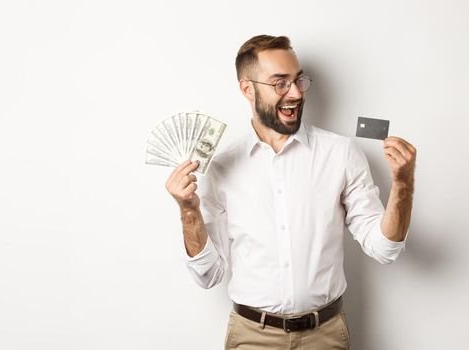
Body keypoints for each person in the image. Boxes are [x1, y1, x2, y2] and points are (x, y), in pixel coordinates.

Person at [164, 35, 416, 349]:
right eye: (280, 83)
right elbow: (207, 275)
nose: (295, 93)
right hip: (251, 337)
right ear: (247, 89)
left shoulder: (340, 154)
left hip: (324, 336)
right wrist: (188, 211)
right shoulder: (221, 167)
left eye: (299, 80)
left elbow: (385, 250)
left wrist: (403, 185)